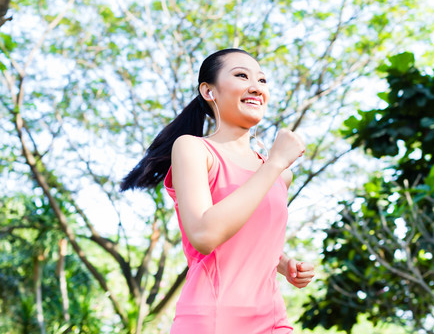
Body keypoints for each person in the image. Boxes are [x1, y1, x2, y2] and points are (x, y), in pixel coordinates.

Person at [120, 48, 315, 333]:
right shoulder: (193, 148)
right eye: (241, 75)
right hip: (212, 319)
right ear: (208, 91)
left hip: (273, 320)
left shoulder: (281, 174)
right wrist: (273, 163)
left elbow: (247, 236)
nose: (256, 87)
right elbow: (204, 235)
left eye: (262, 80)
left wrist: (284, 263)